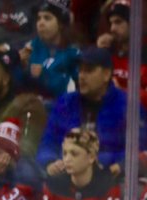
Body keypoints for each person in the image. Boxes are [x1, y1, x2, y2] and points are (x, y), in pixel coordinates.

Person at [37, 45, 145, 175]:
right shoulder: (65, 102)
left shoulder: (128, 106)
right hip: (66, 175)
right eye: (80, 70)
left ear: (106, 74)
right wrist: (50, 162)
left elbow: (139, 150)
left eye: (89, 70)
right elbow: (48, 141)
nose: (81, 76)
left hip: (108, 177)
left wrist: (96, 161)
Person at [19, 0, 80, 100]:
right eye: (39, 19)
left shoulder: (73, 53)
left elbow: (74, 88)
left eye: (47, 18)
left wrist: (44, 75)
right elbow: (20, 85)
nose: (41, 23)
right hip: (33, 105)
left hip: (60, 108)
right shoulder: (32, 47)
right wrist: (19, 66)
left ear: (61, 24)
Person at [96, 0, 147, 109]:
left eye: (118, 22)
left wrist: (121, 93)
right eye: (111, 23)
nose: (112, 29)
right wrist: (98, 54)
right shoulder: (108, 52)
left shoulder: (144, 55)